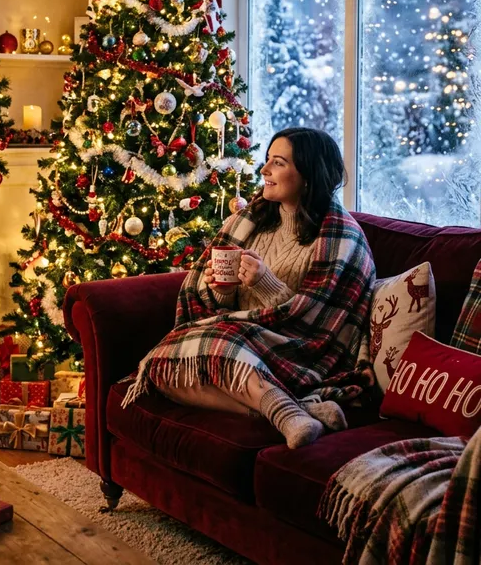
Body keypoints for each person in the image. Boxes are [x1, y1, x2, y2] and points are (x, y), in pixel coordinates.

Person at [122, 127, 376, 449]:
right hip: (235, 340)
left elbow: (318, 325)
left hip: (292, 350)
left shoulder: (341, 239)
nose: (264, 170)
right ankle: (292, 410)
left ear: (309, 175)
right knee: (161, 367)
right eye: (267, 159)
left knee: (215, 343)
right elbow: (219, 308)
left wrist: (264, 283)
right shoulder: (248, 221)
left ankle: (282, 407)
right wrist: (222, 290)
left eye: (278, 163)